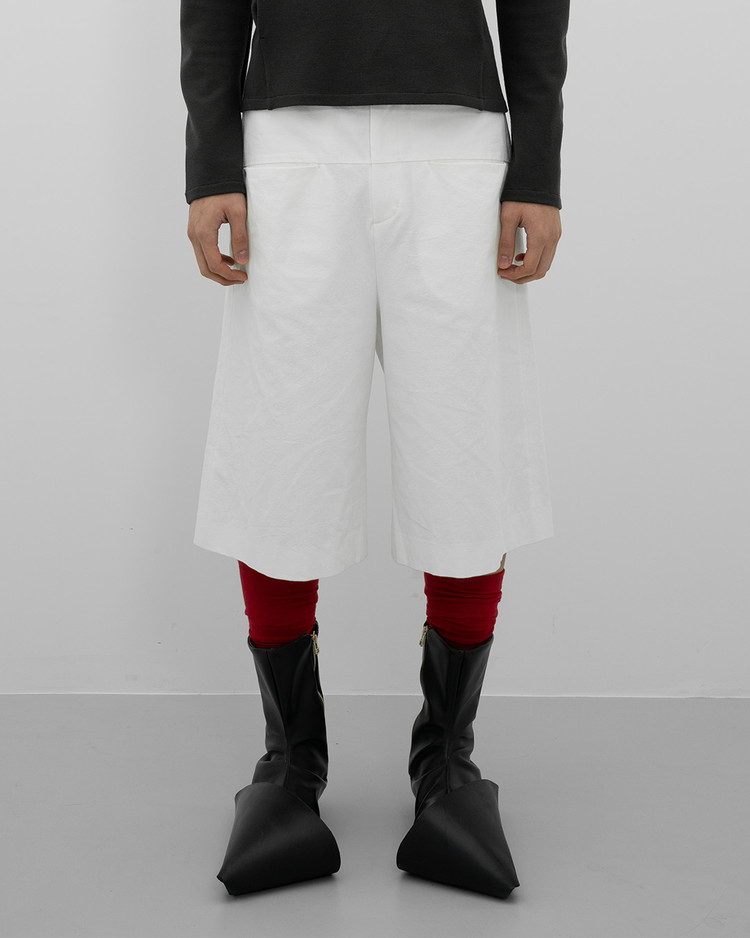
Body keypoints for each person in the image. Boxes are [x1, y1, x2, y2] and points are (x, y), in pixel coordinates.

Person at [180, 0, 570, 900]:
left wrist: (538, 169)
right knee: (281, 452)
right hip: (288, 141)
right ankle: (290, 762)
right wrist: (211, 163)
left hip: (459, 142)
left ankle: (448, 762)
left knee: (466, 453)